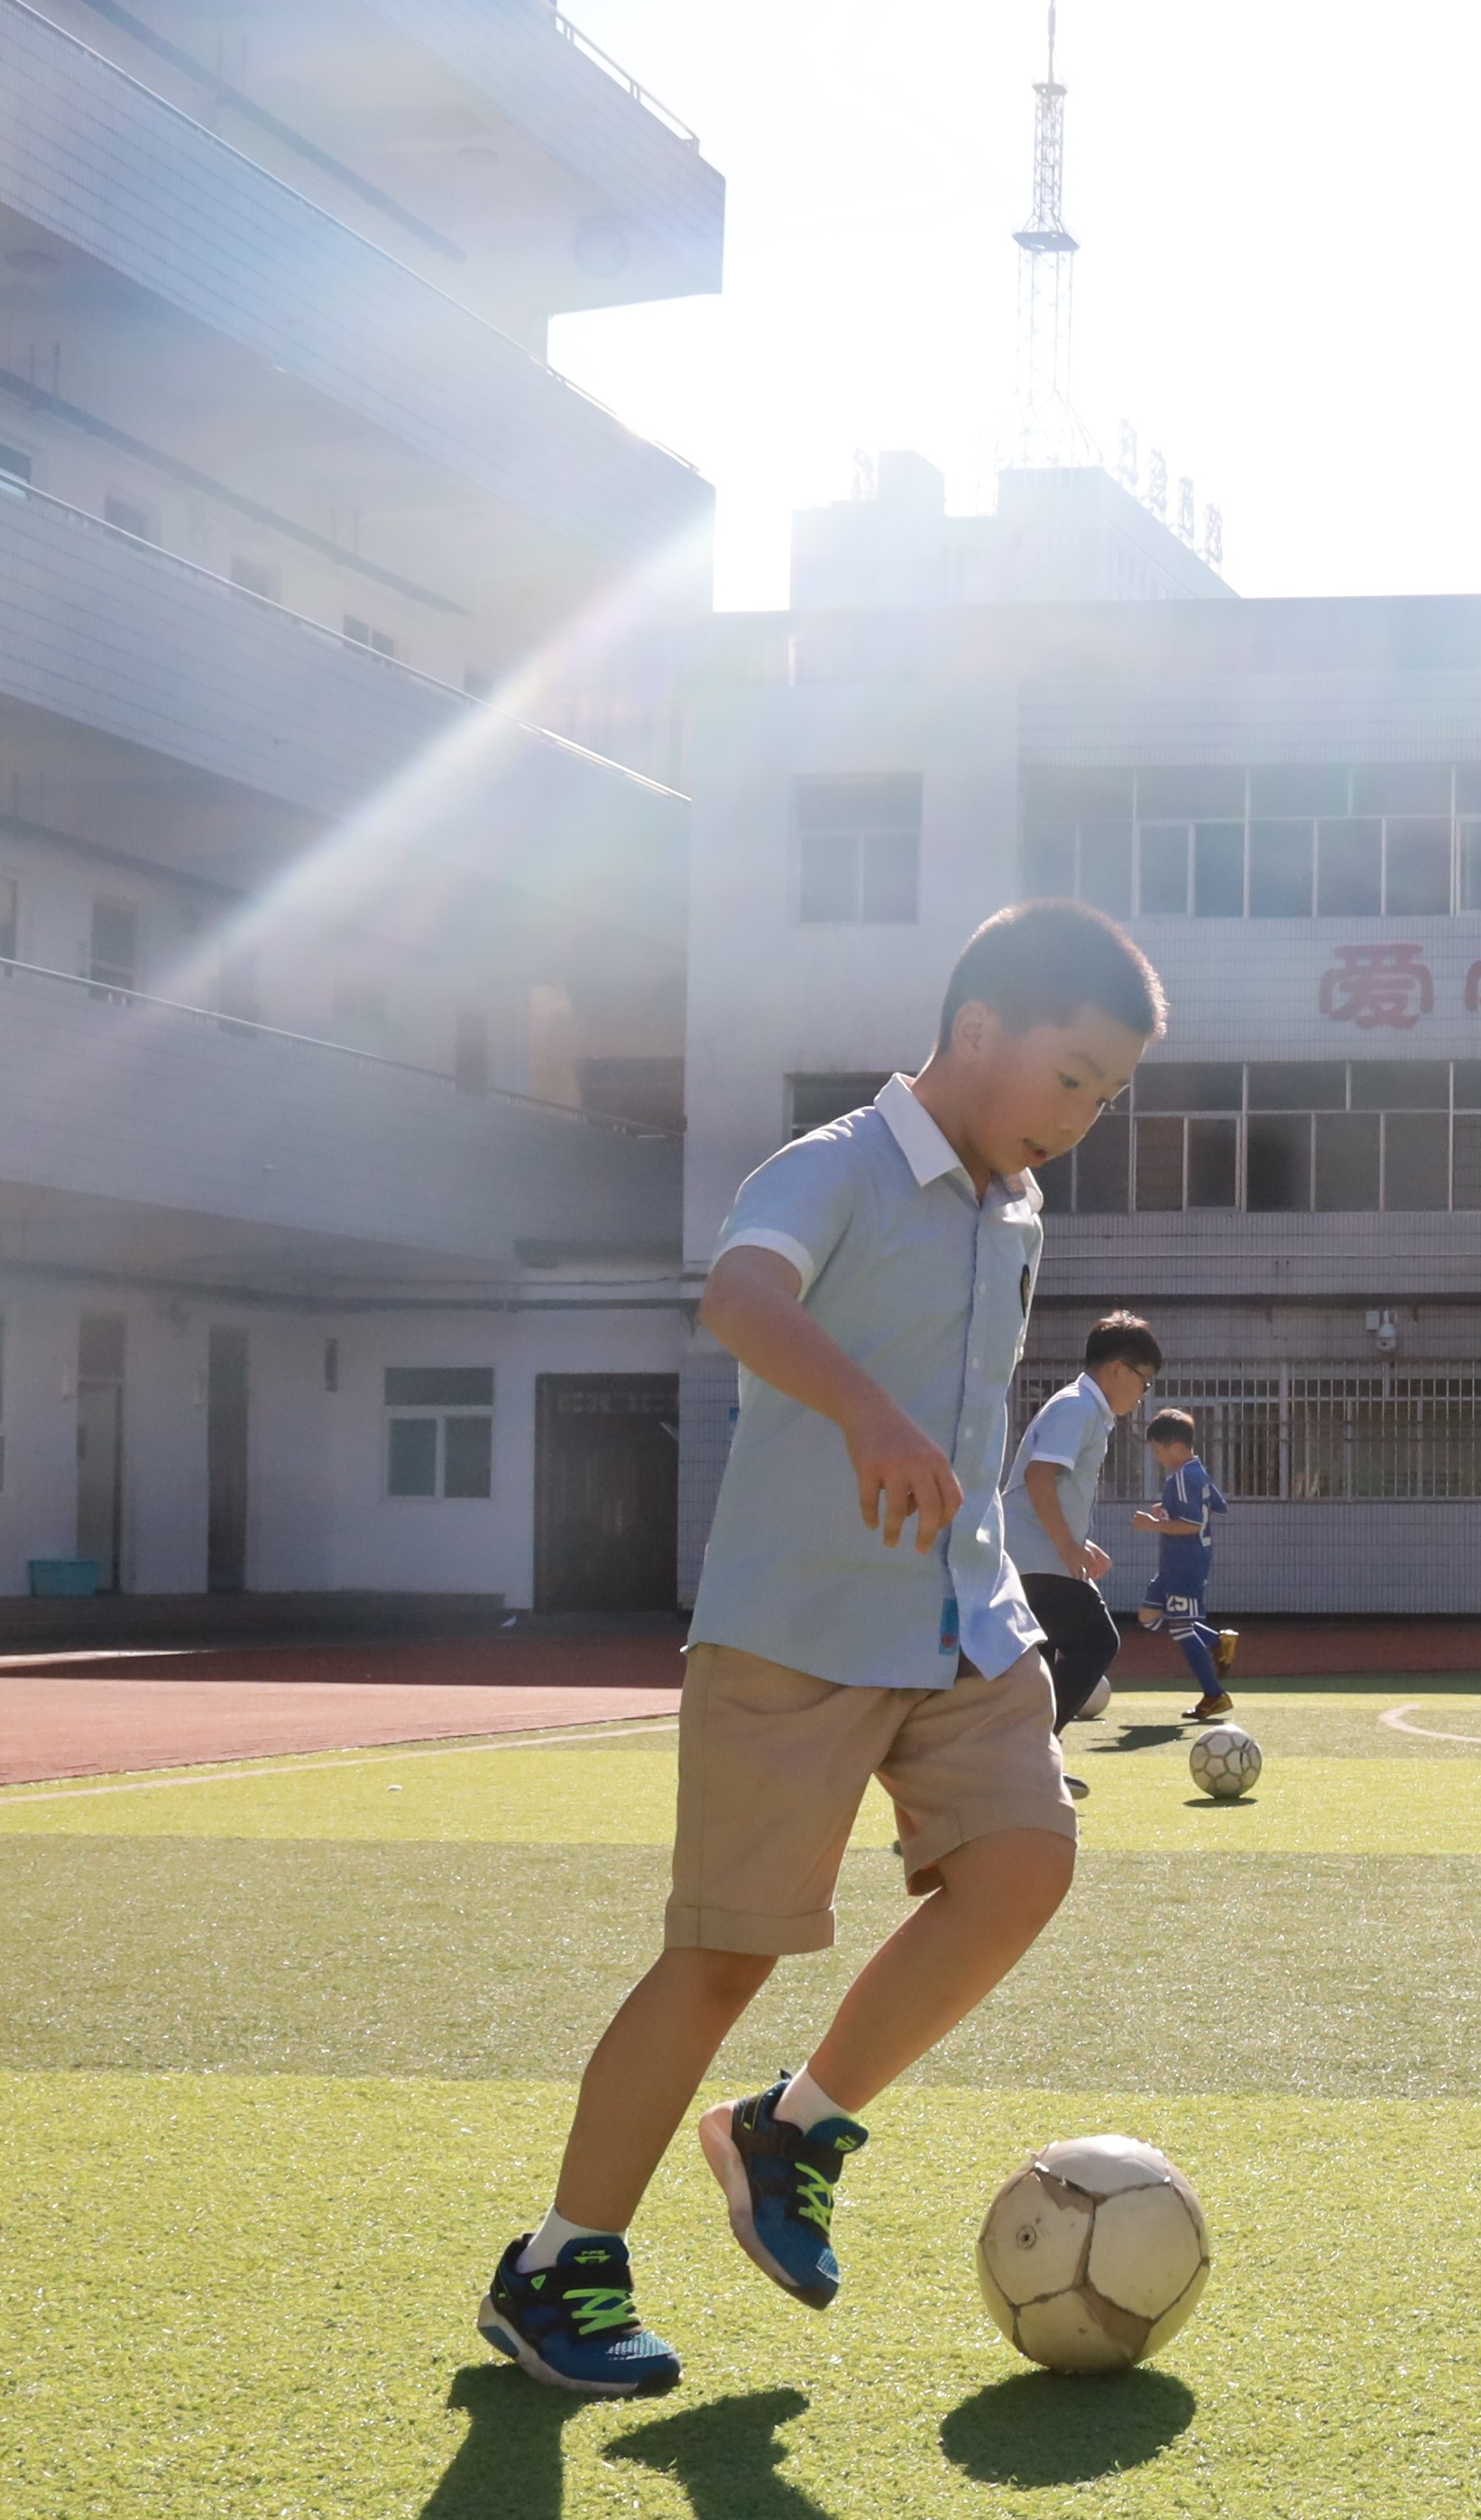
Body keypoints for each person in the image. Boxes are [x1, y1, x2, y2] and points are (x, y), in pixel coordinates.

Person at [477, 897, 1159, 2399]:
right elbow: (740, 1294)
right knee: (722, 1955)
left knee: (1025, 1864)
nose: (1083, 1115)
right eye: (1071, 1073)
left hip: (964, 1619)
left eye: (1108, 1092)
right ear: (978, 1029)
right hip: (793, 1632)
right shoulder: (835, 1162)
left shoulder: (1017, 1210)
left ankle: (794, 2124)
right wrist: (864, 1411)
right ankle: (559, 2261)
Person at [1008, 1311, 1161, 1756]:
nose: (1143, 1394)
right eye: (1143, 1381)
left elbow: (1046, 1486)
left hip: (1029, 1556)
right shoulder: (1079, 1407)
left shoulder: (1081, 1407)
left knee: (1047, 1660)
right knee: (1097, 1641)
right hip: (1034, 1559)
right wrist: (1066, 1545)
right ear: (1117, 1370)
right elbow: (1039, 1477)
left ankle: (1025, 1761)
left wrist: (1078, 1541)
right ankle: (1028, 1755)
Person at [1132, 1408, 1236, 1719]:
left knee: (1180, 1628)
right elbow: (1218, 1506)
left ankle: (1214, 1695)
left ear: (1175, 1447)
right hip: (1179, 1561)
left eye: (1158, 1450)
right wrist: (1169, 1508)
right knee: (1149, 1617)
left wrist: (1154, 1523)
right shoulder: (1197, 1471)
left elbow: (1191, 1524)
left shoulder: (1181, 1476)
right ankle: (1218, 1641)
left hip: (1185, 1563)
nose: (1156, 1456)